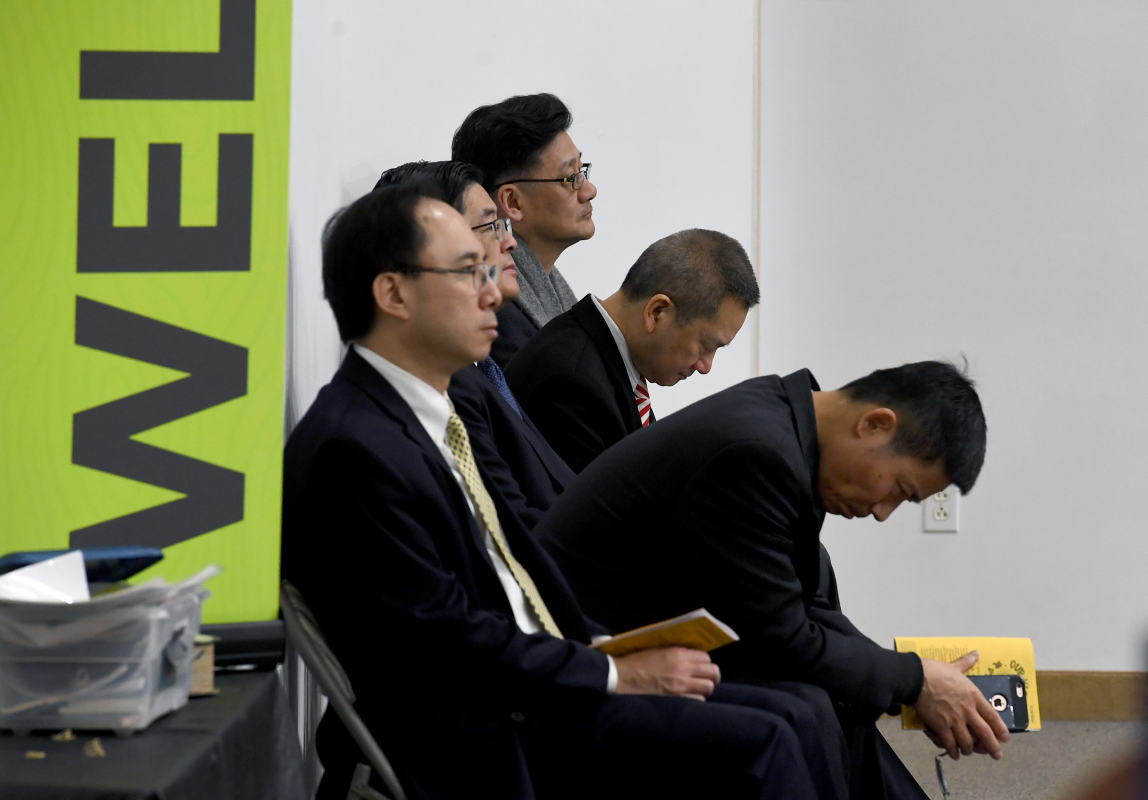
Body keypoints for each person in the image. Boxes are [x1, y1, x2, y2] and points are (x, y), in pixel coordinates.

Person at [281, 181, 839, 800]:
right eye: (469, 272)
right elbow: (445, 645)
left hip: (540, 679)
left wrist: (610, 649)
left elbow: (510, 574)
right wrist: (610, 672)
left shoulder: (430, 413)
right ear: (393, 293)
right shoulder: (353, 448)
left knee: (794, 712)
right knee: (766, 742)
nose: (495, 290)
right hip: (491, 728)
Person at [534, 362, 1011, 800]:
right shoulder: (757, 452)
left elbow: (798, 609)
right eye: (901, 491)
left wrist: (914, 679)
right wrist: (913, 679)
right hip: (578, 656)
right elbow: (784, 642)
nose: (884, 513)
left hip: (650, 631)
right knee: (808, 707)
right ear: (875, 424)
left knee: (830, 700)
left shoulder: (783, 424)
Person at [372, 161, 575, 526]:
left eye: (503, 225)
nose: (510, 240)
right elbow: (514, 530)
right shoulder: (439, 395)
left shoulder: (478, 372)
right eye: (490, 227)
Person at [504, 229, 756, 473]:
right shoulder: (570, 382)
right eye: (705, 345)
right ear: (657, 312)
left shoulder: (606, 364)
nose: (706, 366)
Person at [452, 93, 596, 367]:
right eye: (571, 178)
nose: (589, 190)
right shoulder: (498, 315)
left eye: (583, 170)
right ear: (513, 202)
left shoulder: (544, 287)